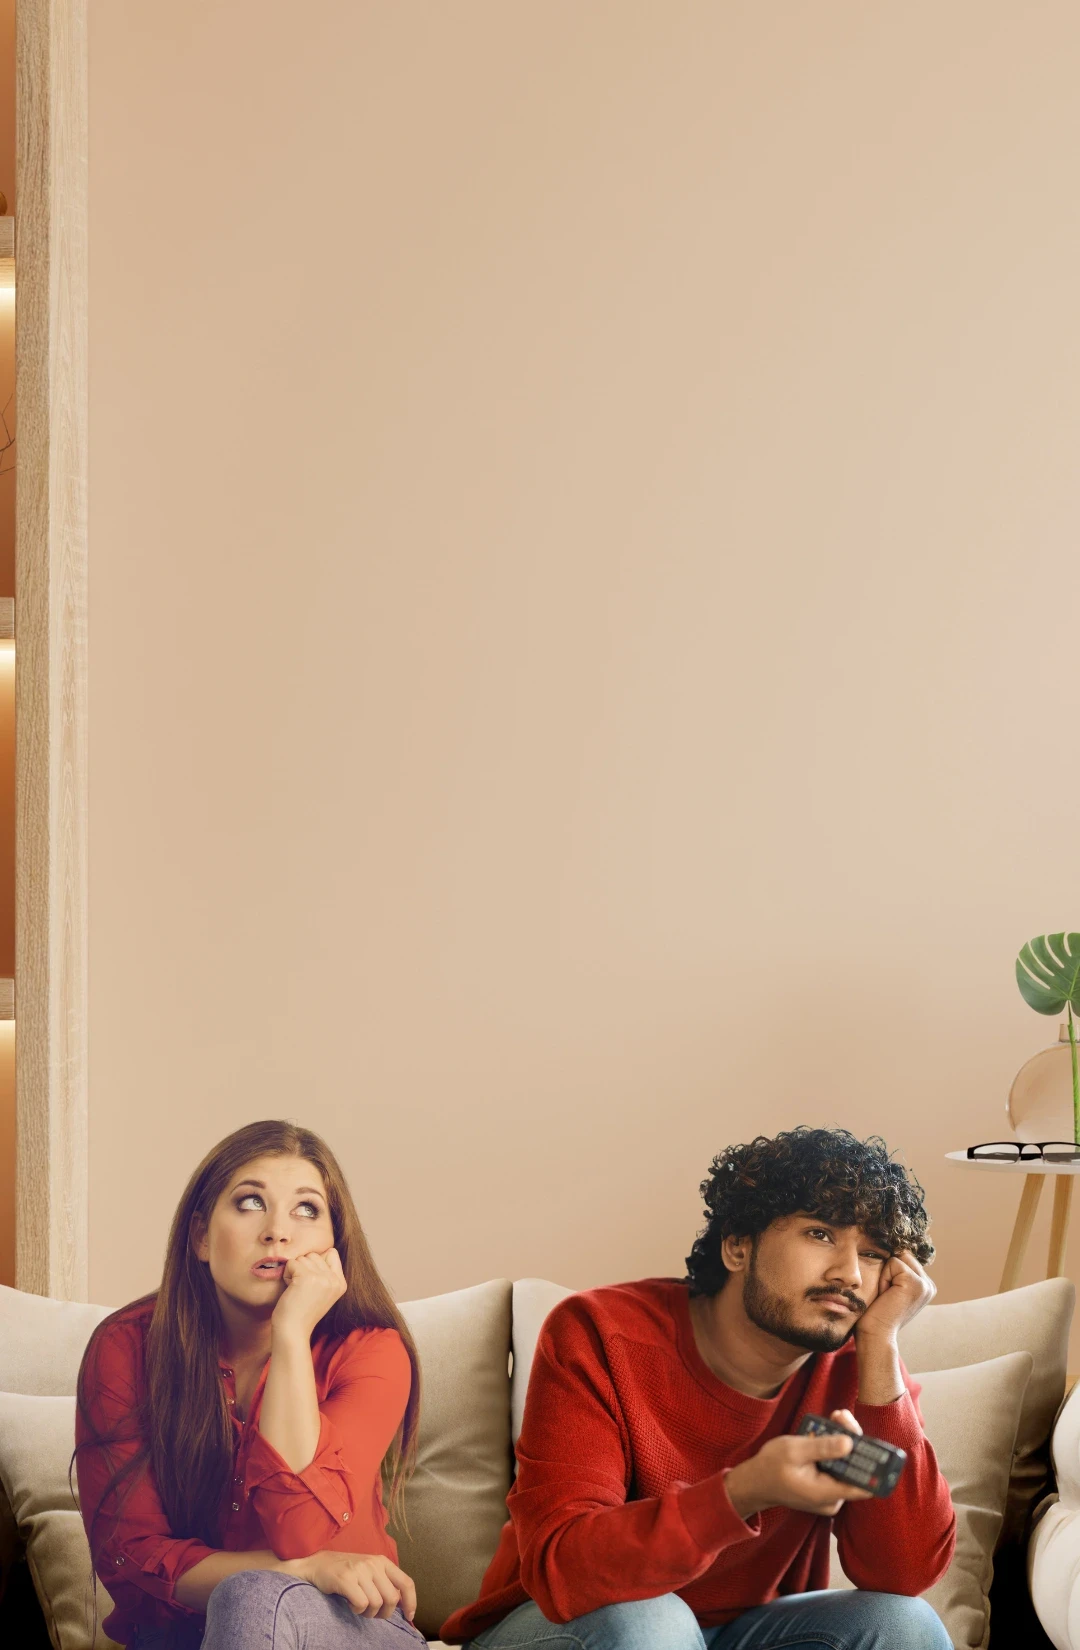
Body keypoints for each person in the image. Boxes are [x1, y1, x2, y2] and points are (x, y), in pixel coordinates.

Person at [441, 1127, 955, 1650]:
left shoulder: (861, 1364)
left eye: (873, 1254)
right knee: (653, 1624)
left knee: (903, 1625)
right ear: (737, 1246)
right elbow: (565, 1571)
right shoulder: (601, 1333)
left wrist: (881, 1344)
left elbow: (904, 1574)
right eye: (820, 1234)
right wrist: (741, 1493)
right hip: (572, 1625)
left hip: (743, 1631)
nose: (849, 1274)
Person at [75, 1119, 423, 1650]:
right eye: (250, 1202)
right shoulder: (126, 1347)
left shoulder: (371, 1351)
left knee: (250, 1595)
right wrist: (305, 1569)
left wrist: (291, 1333)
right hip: (180, 1637)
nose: (277, 1232)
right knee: (245, 1594)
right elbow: (132, 1555)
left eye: (306, 1209)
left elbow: (299, 1528)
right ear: (200, 1237)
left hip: (347, 1626)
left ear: (334, 1244)